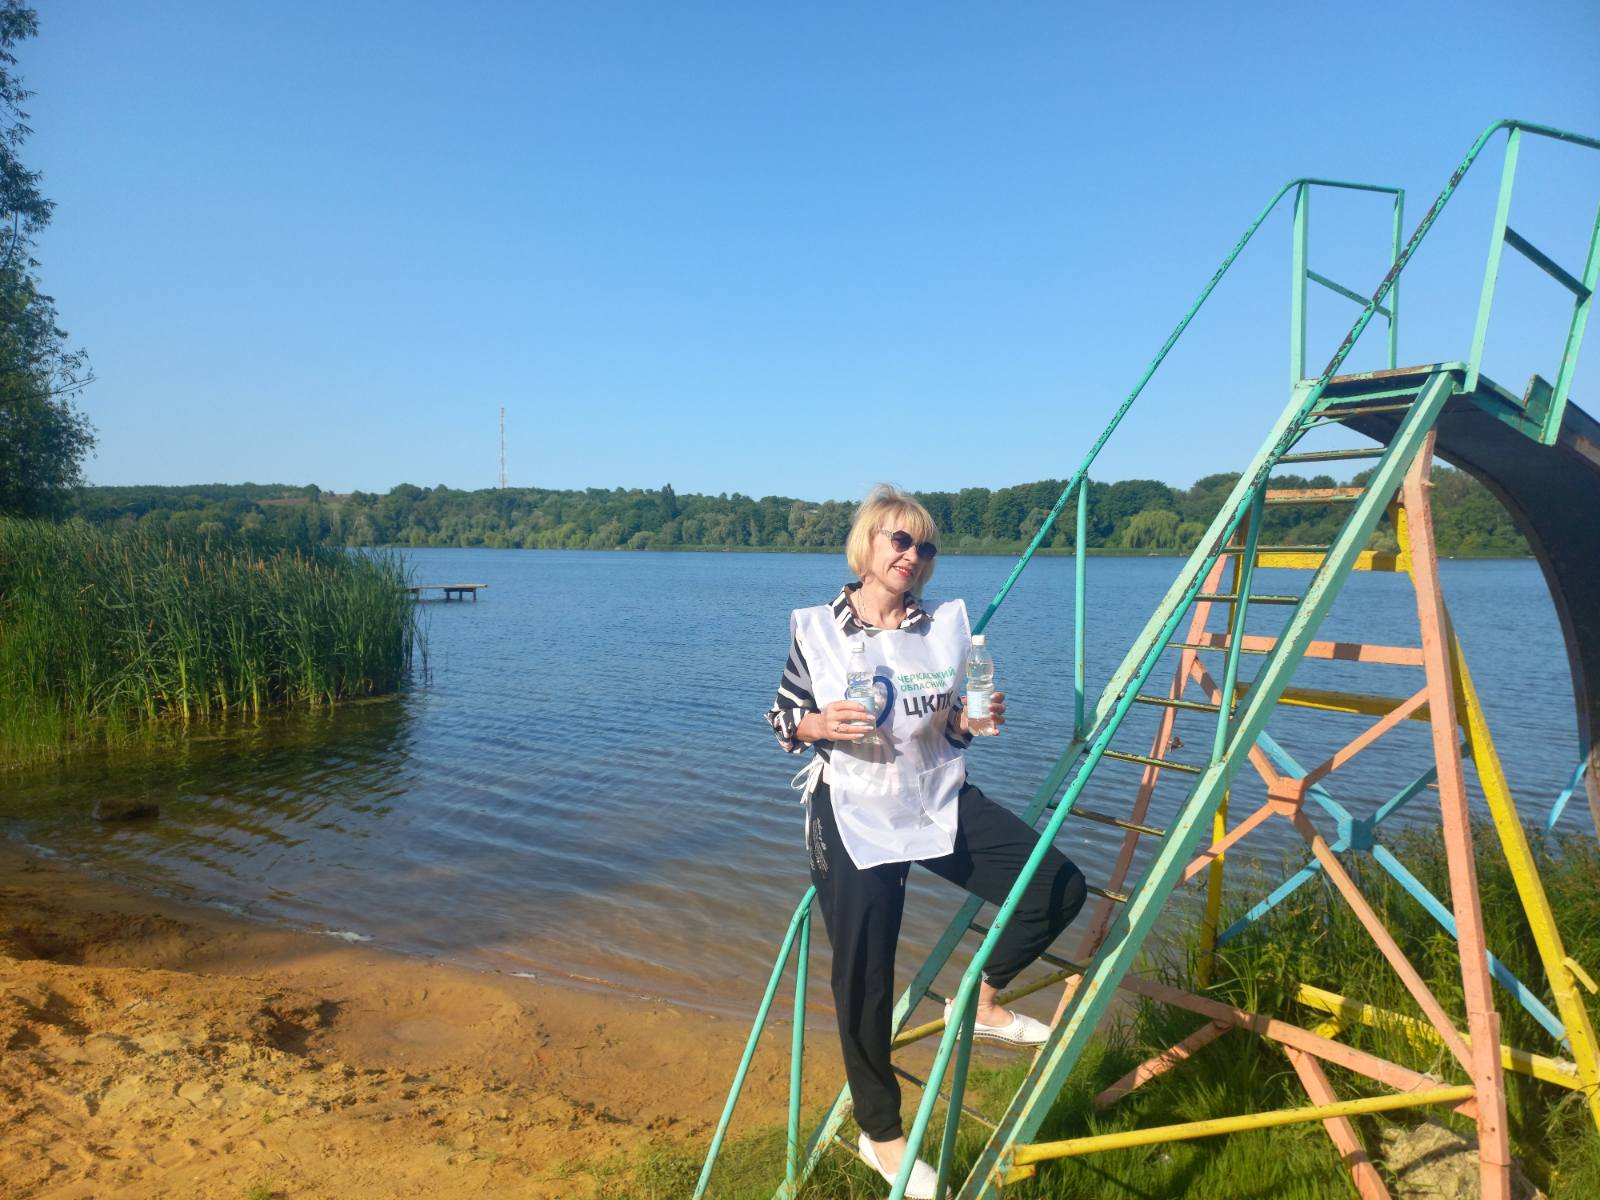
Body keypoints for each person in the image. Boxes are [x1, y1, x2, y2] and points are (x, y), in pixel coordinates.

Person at [765, 484, 1087, 1198]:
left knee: (1056, 885)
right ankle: (880, 1133)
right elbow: (782, 719)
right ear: (868, 545)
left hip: (932, 795)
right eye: (900, 540)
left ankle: (981, 1003)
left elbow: (951, 728)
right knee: (865, 975)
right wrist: (816, 725)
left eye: (926, 545)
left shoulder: (945, 629)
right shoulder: (818, 629)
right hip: (851, 808)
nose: (913, 554)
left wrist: (975, 719)